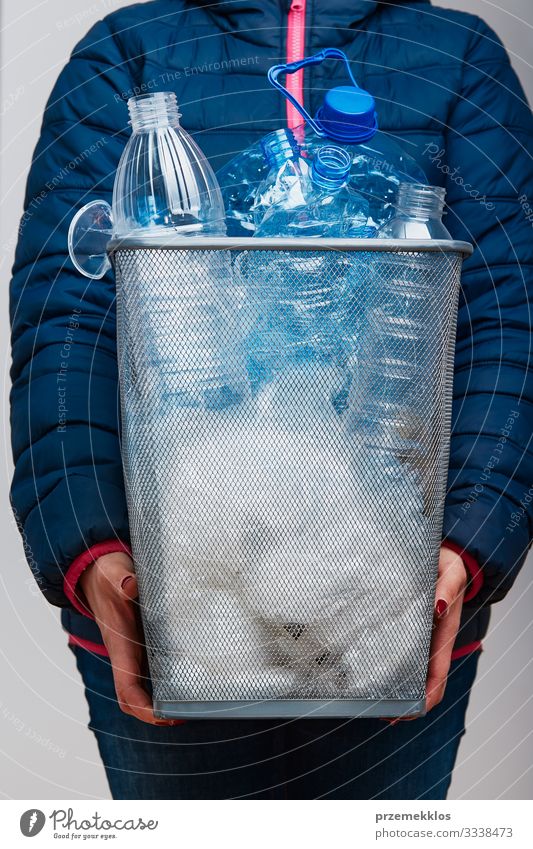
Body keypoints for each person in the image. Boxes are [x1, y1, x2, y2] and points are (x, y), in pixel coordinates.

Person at [9, 0, 533, 799]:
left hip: (395, 596)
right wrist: (92, 554)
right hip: (165, 603)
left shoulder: (454, 54)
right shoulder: (130, 49)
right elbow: (65, 316)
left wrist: (466, 548)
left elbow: (509, 316)